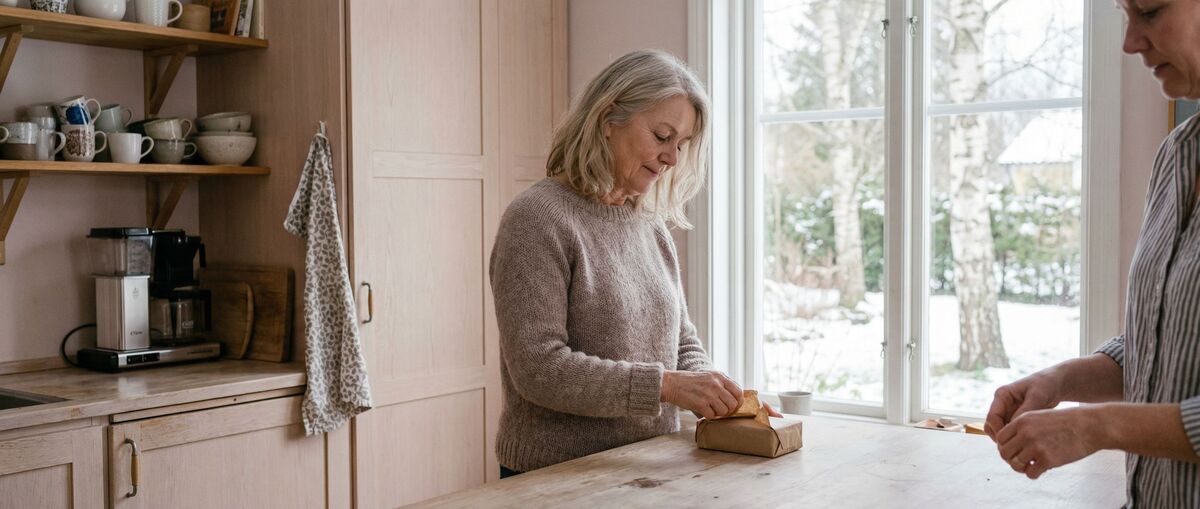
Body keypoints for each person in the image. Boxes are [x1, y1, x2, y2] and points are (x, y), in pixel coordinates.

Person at [489, 49, 776, 478]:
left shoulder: (649, 224)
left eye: (681, 144)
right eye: (662, 136)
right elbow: (539, 368)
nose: (672, 158)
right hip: (555, 476)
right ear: (608, 119)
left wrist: (716, 393)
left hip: (648, 467)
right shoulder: (536, 219)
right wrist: (668, 386)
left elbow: (681, 341)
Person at [985, 1, 1200, 504]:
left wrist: (1097, 426)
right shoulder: (1177, 155)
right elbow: (1168, 346)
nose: (1130, 42)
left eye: (1149, 10)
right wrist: (1060, 381)